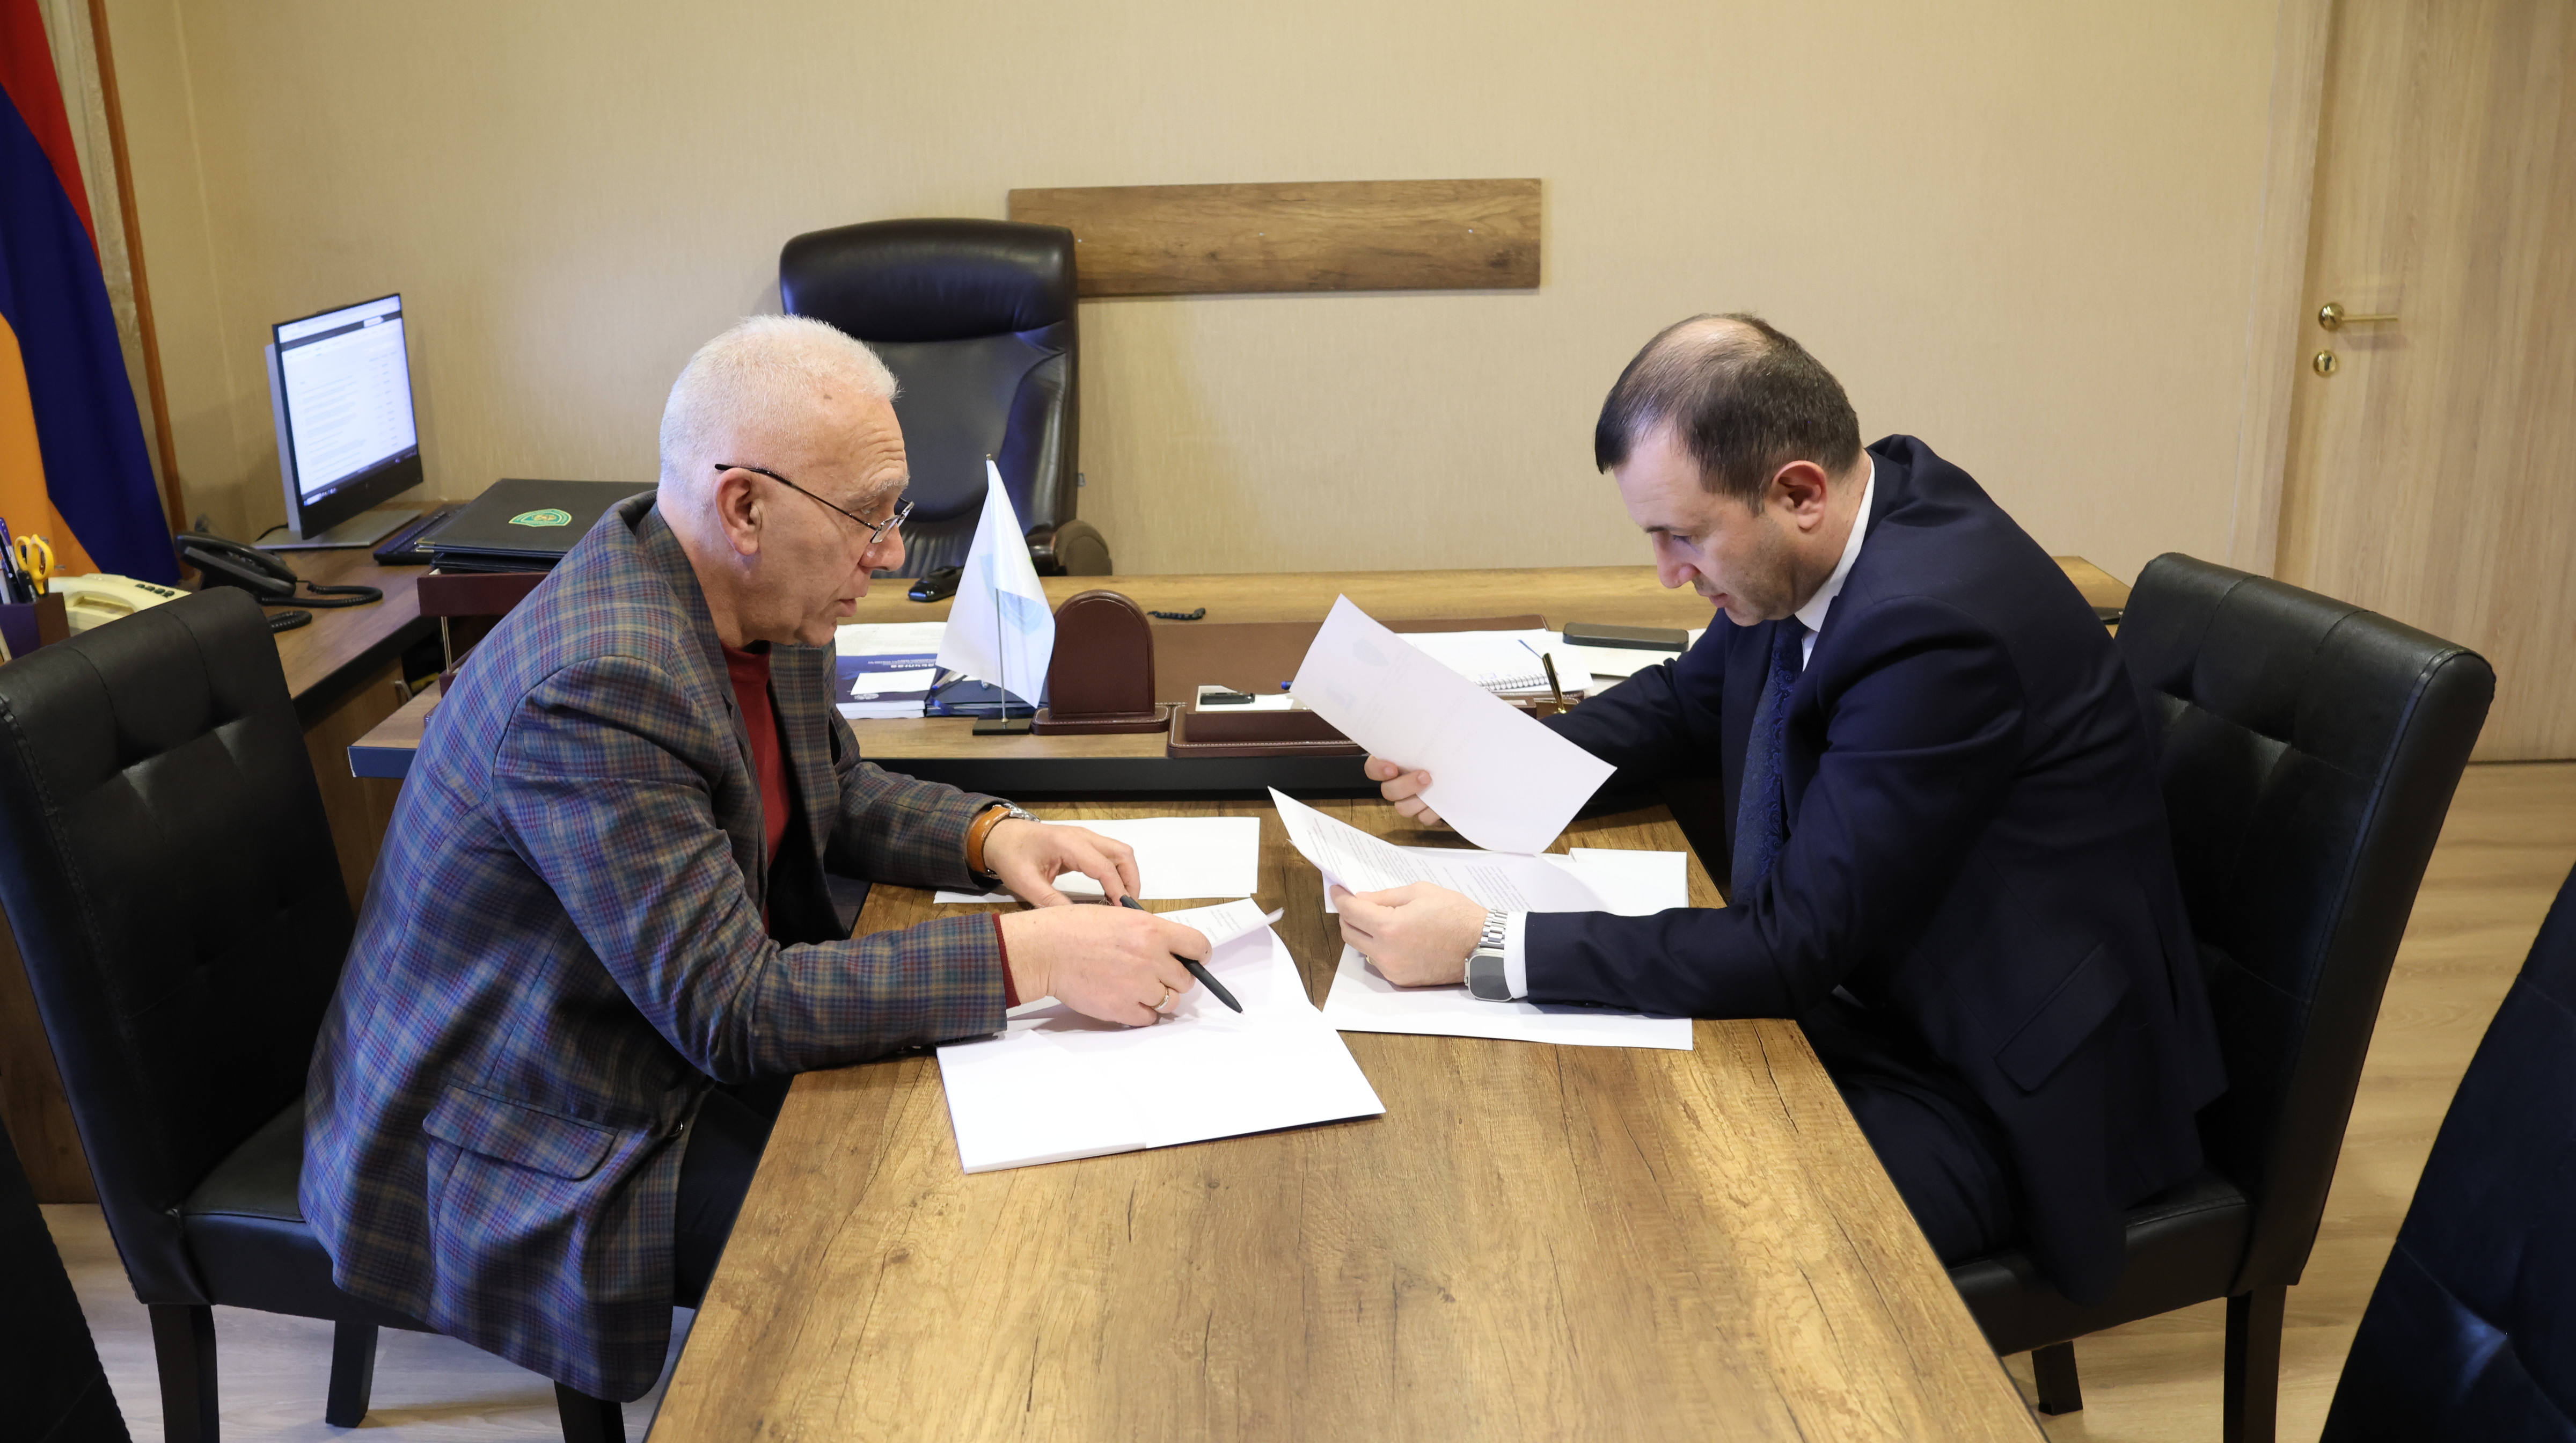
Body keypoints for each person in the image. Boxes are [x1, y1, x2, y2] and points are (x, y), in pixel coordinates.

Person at [302, 315, 1210, 1401]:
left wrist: (992, 835)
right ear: (744, 507)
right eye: (869, 518)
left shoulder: (753, 599)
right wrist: (1039, 959)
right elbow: (734, 1010)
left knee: (938, 1144)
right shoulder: (600, 685)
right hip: (532, 1111)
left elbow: (835, 788)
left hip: (651, 1027)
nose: (890, 554)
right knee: (880, 1251)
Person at [1337, 314, 2225, 1303]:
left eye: (1685, 535)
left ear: (1799, 492)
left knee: (1673, 1243)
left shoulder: (1932, 632)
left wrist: (1488, 944)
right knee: (1587, 1132)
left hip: (1995, 1081)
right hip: (1875, 994)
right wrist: (1491, 764)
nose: (1668, 572)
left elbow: (1789, 946)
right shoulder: (1838, 529)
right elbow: (1693, 699)